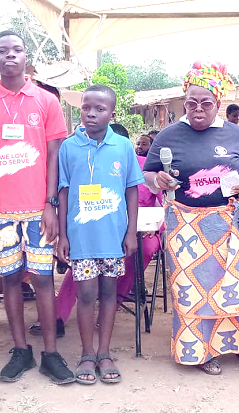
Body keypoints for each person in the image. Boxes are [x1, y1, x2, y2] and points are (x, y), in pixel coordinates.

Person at [143, 61, 239, 375]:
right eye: (192, 103)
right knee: (195, 289)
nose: (198, 109)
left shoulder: (237, 134)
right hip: (185, 225)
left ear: (218, 104)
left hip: (231, 223)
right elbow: (148, 173)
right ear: (184, 103)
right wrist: (157, 180)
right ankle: (199, 352)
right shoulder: (169, 135)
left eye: (206, 103)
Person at [0, 30, 74, 384]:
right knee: (11, 280)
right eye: (2, 51)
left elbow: (55, 155)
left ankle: (50, 354)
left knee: (43, 280)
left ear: (27, 57)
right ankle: (20, 350)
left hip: (37, 209)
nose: (9, 55)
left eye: (16, 50)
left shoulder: (46, 101)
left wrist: (50, 204)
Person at [57, 84, 144, 385]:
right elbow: (64, 192)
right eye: (86, 107)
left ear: (112, 113)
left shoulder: (123, 146)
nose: (91, 114)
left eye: (100, 109)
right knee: (86, 295)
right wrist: (63, 236)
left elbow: (132, 189)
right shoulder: (69, 147)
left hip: (114, 238)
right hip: (81, 238)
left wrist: (131, 232)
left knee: (109, 294)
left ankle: (105, 352)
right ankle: (86, 354)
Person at [51, 125, 162, 328]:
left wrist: (155, 228)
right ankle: (59, 314)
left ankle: (116, 300)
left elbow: (161, 202)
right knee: (80, 263)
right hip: (94, 223)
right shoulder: (75, 152)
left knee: (142, 251)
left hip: (143, 229)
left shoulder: (143, 166)